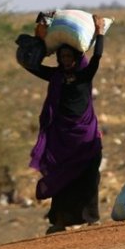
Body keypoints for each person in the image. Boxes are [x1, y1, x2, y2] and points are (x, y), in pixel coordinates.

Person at [19, 15, 106, 234]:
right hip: (61, 138)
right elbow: (32, 65)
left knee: (88, 178)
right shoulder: (55, 75)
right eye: (62, 56)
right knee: (61, 177)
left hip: (85, 136)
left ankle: (91, 219)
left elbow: (97, 57)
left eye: (69, 56)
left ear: (76, 57)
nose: (66, 59)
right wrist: (39, 37)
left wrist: (100, 32)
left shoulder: (85, 74)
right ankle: (59, 221)